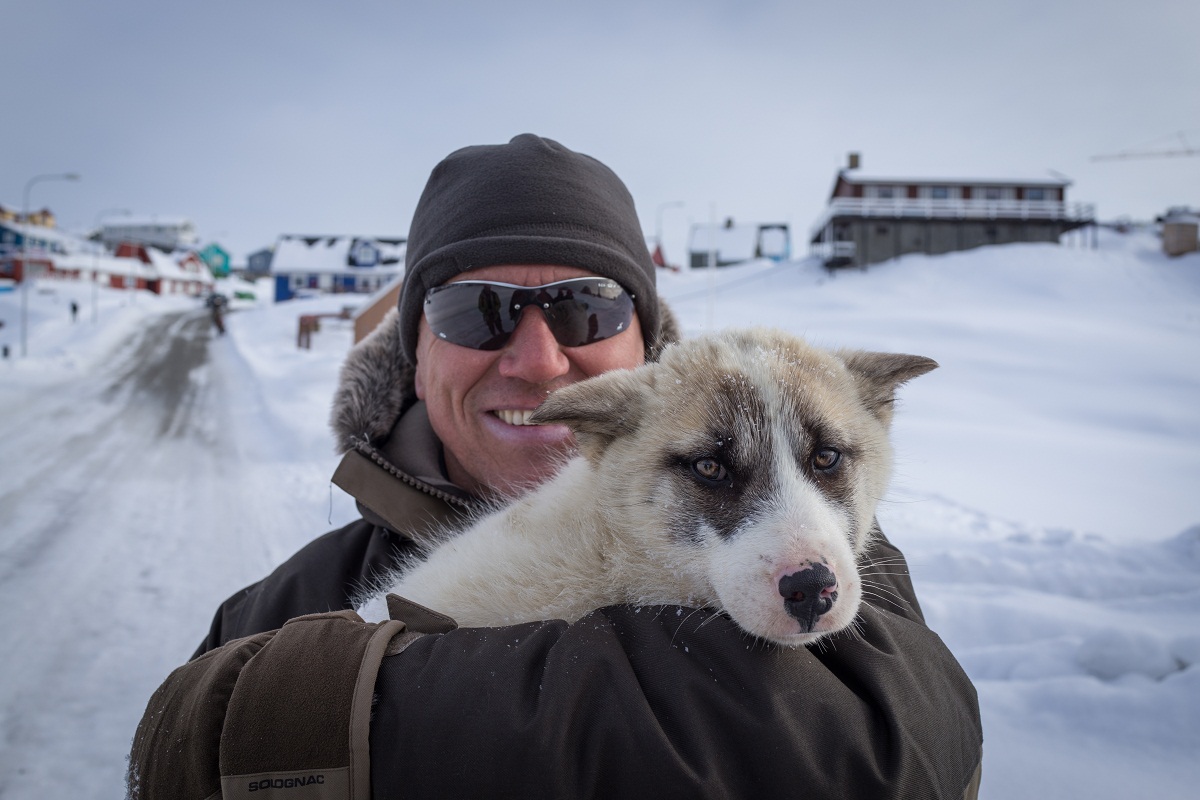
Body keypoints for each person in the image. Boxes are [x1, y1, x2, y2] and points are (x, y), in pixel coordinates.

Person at [128, 135, 982, 799]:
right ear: (413, 355)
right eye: (475, 310)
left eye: (586, 309)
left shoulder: (837, 558)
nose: (536, 363)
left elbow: (867, 760)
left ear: (647, 345)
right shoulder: (273, 605)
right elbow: (167, 758)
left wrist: (331, 718)